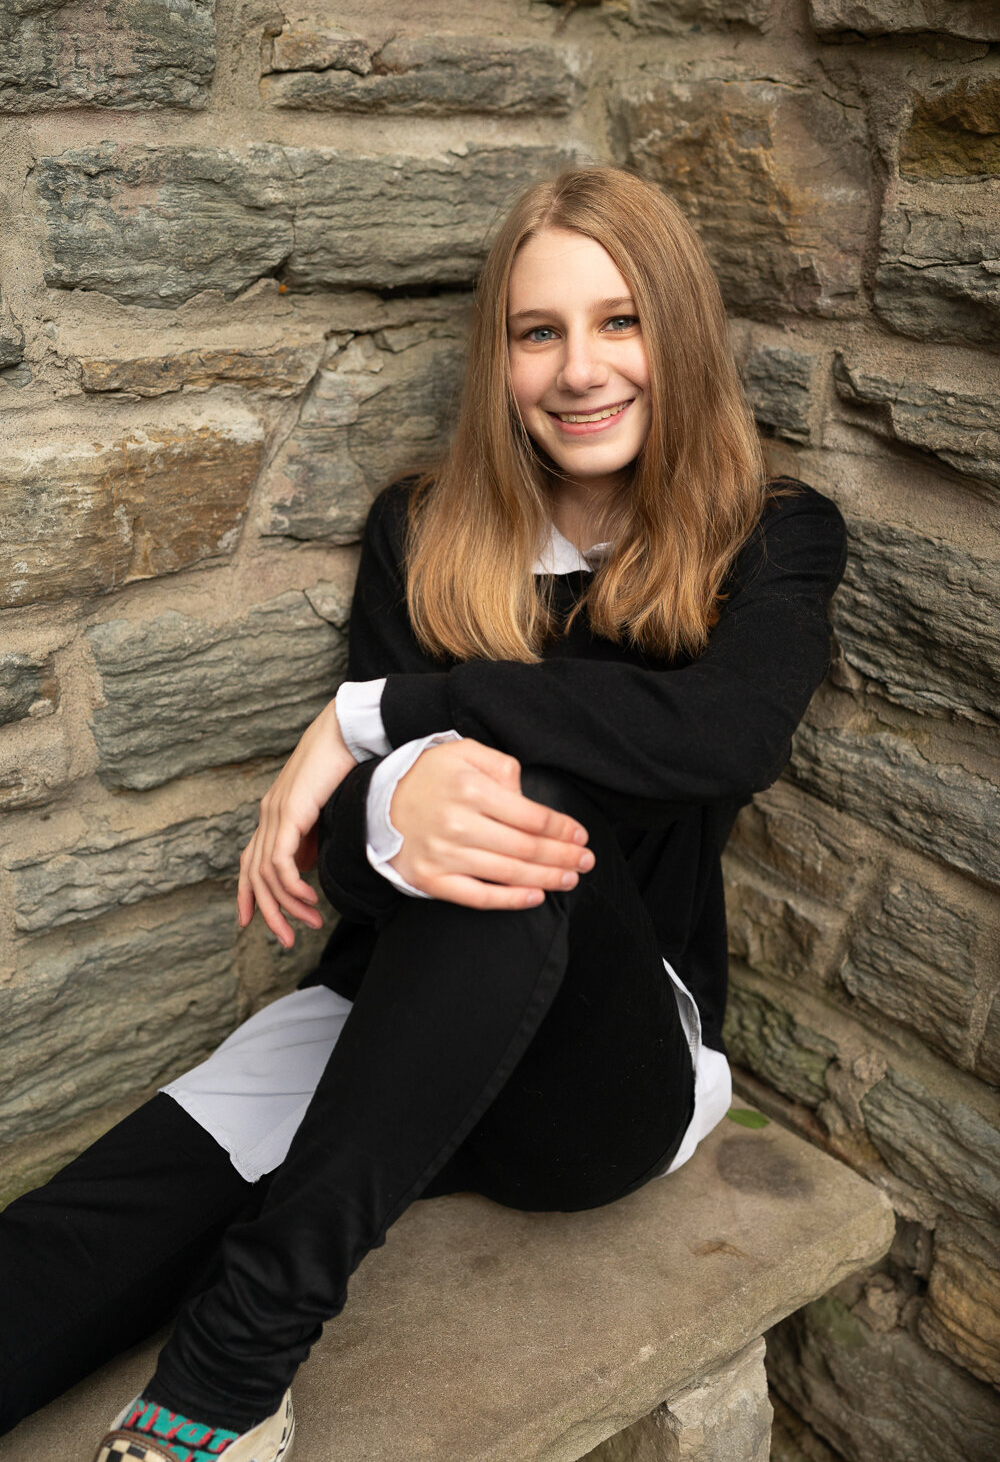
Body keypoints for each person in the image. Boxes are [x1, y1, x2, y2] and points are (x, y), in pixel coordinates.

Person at [0, 165, 847, 1462]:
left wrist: (374, 718)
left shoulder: (772, 537)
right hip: (390, 1014)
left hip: (609, 1075)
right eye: (537, 331)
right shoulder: (428, 528)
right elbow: (345, 865)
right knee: (63, 1256)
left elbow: (723, 741)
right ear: (498, 358)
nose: (581, 370)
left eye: (620, 321)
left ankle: (228, 1377)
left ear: (677, 330)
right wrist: (393, 800)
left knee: (524, 797)